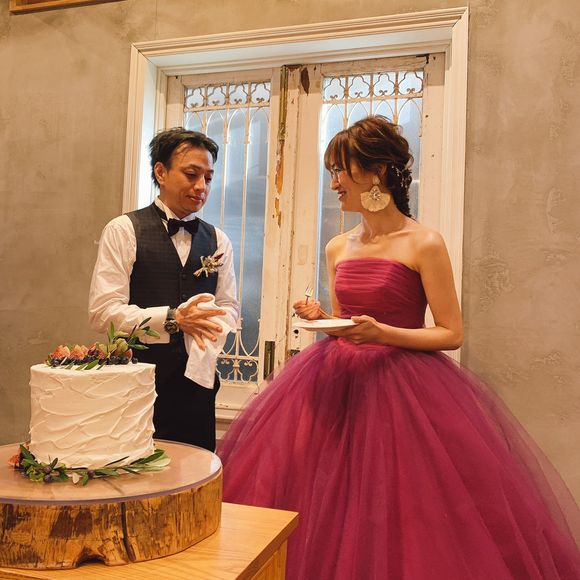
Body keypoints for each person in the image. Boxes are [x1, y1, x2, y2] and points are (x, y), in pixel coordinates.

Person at [218, 116, 580, 579]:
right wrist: (322, 318)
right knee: (322, 499)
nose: (334, 183)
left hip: (402, 393)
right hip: (334, 387)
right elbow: (348, 324)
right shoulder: (338, 247)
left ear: (379, 171)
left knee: (399, 508)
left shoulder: (424, 242)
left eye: (341, 170)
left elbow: (451, 333)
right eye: (332, 172)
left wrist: (384, 334)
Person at [89, 128, 239, 451]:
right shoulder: (124, 230)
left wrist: (211, 327)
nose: (201, 187)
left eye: (208, 178)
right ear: (161, 172)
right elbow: (102, 313)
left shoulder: (219, 241)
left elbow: (230, 307)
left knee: (197, 475)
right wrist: (172, 319)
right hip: (136, 388)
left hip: (198, 389)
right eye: (191, 174)